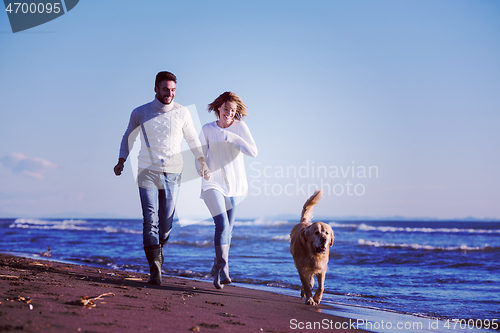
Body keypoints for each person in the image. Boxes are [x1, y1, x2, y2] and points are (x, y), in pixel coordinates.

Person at [114, 71, 210, 285]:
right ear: (156, 89)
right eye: (166, 89)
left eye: (173, 90)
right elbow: (128, 136)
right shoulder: (141, 112)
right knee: (150, 220)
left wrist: (201, 160)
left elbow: (192, 138)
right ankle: (154, 269)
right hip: (147, 170)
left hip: (174, 171)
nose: (170, 93)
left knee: (165, 223)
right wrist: (121, 160)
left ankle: (158, 251)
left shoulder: (182, 112)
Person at [199, 91, 258, 289]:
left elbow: (253, 152)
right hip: (212, 184)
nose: (229, 114)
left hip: (236, 186)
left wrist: (234, 139)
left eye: (233, 111)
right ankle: (224, 269)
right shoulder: (207, 129)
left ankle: (216, 269)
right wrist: (202, 166)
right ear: (218, 108)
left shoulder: (240, 128)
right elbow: (198, 154)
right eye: (226, 109)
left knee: (228, 232)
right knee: (222, 225)